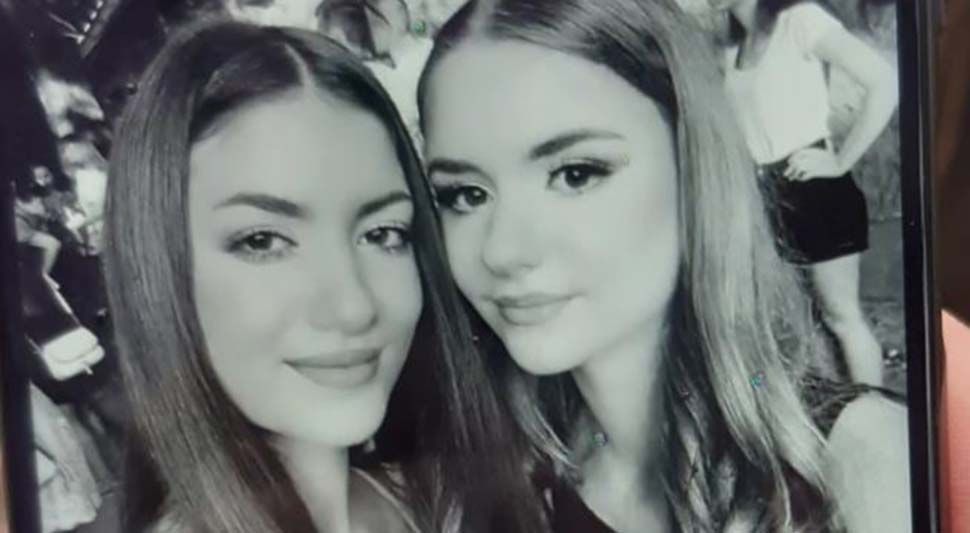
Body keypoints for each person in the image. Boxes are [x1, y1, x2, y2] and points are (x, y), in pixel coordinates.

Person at [417, 0, 910, 531]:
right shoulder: (483, 487)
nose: (503, 251)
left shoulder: (865, 467)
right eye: (465, 194)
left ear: (693, 165)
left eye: (576, 174)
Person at [102, 20, 539, 533]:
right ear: (158, 274)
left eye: (382, 234)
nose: (354, 307)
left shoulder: (436, 497)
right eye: (263, 241)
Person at [711, 0, 899, 387]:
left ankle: (874, 409)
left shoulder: (800, 20)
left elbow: (885, 81)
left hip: (815, 191)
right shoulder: (730, 49)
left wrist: (841, 161)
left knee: (841, 317)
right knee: (781, 322)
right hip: (762, 197)